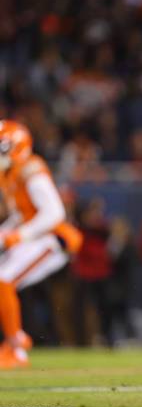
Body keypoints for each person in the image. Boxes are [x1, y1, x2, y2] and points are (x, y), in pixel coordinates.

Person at [0, 120, 82, 368]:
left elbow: (54, 213)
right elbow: (21, 216)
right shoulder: (10, 173)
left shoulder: (30, 168)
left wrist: (18, 236)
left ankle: (18, 347)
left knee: (4, 278)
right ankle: (15, 342)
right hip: (36, 236)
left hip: (54, 238)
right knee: (3, 282)